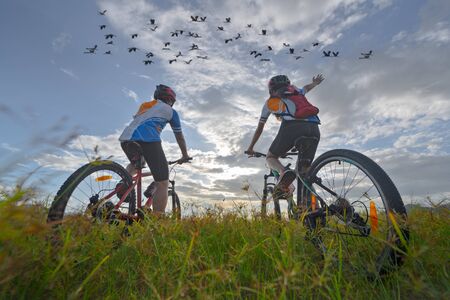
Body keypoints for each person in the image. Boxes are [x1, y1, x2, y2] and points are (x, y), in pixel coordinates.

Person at [245, 74, 324, 195]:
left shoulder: (270, 103)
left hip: (292, 128)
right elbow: (306, 88)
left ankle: (283, 172)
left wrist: (251, 147)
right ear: (288, 85)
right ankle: (312, 208)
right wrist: (315, 83)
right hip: (314, 128)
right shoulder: (297, 91)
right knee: (303, 174)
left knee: (271, 157)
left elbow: (259, 129)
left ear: (271, 90)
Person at [118, 84, 191, 214]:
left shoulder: (145, 106)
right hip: (148, 140)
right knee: (163, 181)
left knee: (137, 164)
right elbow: (179, 136)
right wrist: (184, 155)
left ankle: (124, 182)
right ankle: (158, 219)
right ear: (171, 100)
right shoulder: (171, 112)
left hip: (126, 139)